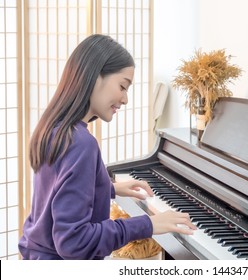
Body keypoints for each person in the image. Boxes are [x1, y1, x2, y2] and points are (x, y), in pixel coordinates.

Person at [19, 34, 196, 260]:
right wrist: (148, 224)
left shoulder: (55, 127)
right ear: (95, 77)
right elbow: (74, 242)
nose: (125, 99)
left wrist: (108, 188)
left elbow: (59, 191)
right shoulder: (81, 144)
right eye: (123, 86)